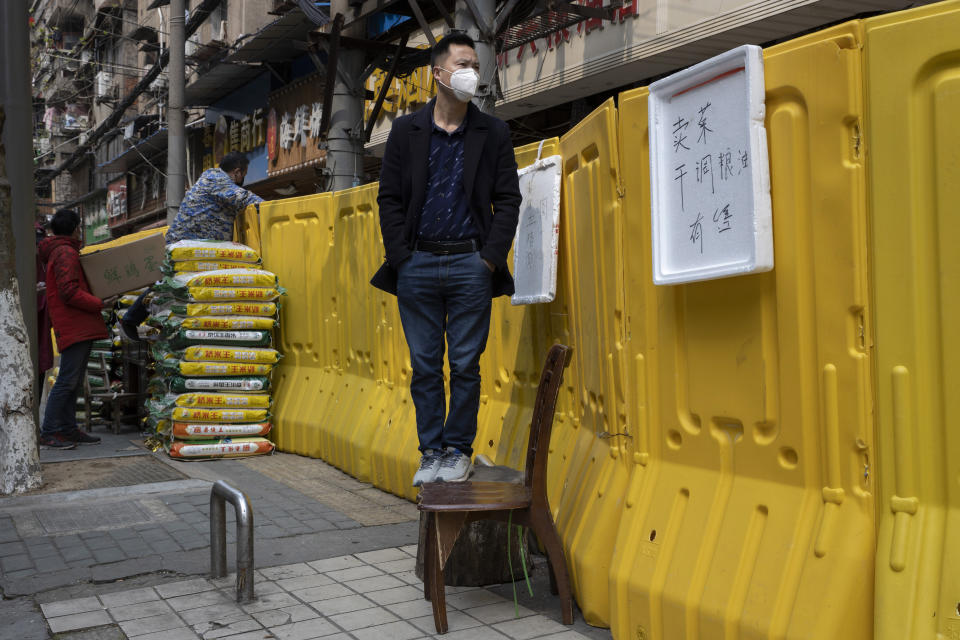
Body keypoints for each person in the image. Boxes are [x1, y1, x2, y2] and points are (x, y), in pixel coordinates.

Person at [371, 32, 522, 486]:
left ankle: (458, 450)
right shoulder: (405, 131)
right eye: (462, 64)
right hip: (417, 264)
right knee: (423, 365)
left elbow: (508, 199)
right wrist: (401, 257)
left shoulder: (492, 131)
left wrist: (490, 259)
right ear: (438, 74)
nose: (471, 73)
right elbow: (390, 199)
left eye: (475, 64)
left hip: (470, 265)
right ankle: (431, 451)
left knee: (464, 365)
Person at [118, 152, 263, 340]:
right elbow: (245, 199)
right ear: (237, 172)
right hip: (187, 245)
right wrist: (273, 206)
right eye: (244, 173)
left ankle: (142, 320)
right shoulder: (216, 180)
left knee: (171, 284)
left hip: (190, 244)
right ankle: (132, 319)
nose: (243, 178)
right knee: (168, 284)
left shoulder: (211, 177)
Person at [38, 210, 113, 448]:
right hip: (75, 323)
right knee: (67, 380)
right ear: (74, 229)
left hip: (76, 322)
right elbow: (68, 292)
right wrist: (100, 303)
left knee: (74, 380)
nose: (80, 231)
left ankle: (68, 429)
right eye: (79, 227)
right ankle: (50, 431)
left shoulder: (62, 251)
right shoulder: (65, 253)